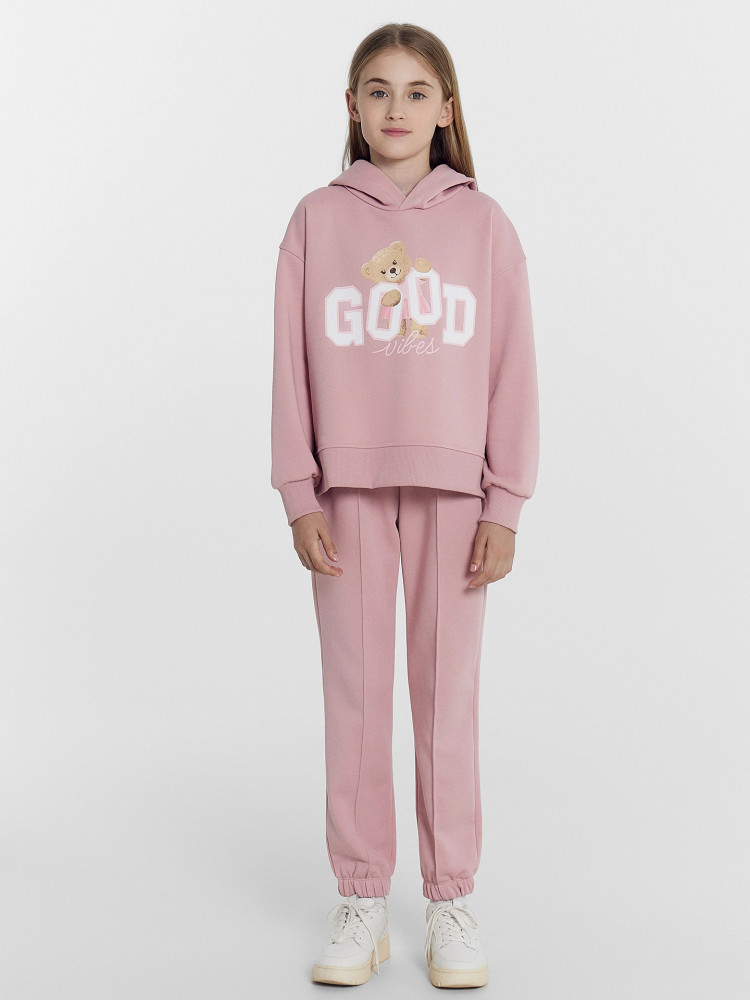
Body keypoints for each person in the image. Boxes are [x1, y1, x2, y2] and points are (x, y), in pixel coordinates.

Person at [270, 21, 540, 990]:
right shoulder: (316, 219)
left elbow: (513, 369)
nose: (397, 108)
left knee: (444, 700)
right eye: (378, 90)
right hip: (344, 489)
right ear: (352, 106)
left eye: (417, 91)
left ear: (447, 109)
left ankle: (449, 899)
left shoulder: (485, 225)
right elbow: (290, 364)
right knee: (355, 697)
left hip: (456, 495)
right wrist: (297, 489)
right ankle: (360, 898)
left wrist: (506, 501)